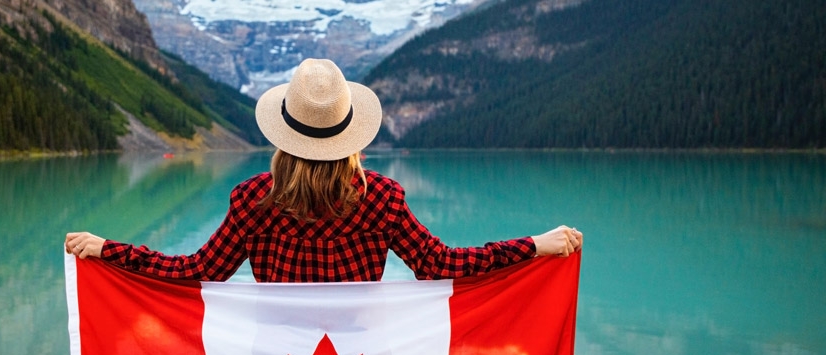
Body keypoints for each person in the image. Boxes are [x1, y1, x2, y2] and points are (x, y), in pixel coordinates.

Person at [65, 58, 582, 282]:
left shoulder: (253, 201)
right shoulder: (382, 197)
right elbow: (440, 264)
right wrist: (536, 245)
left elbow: (195, 273)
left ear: (283, 133)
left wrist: (110, 251)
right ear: (350, 135)